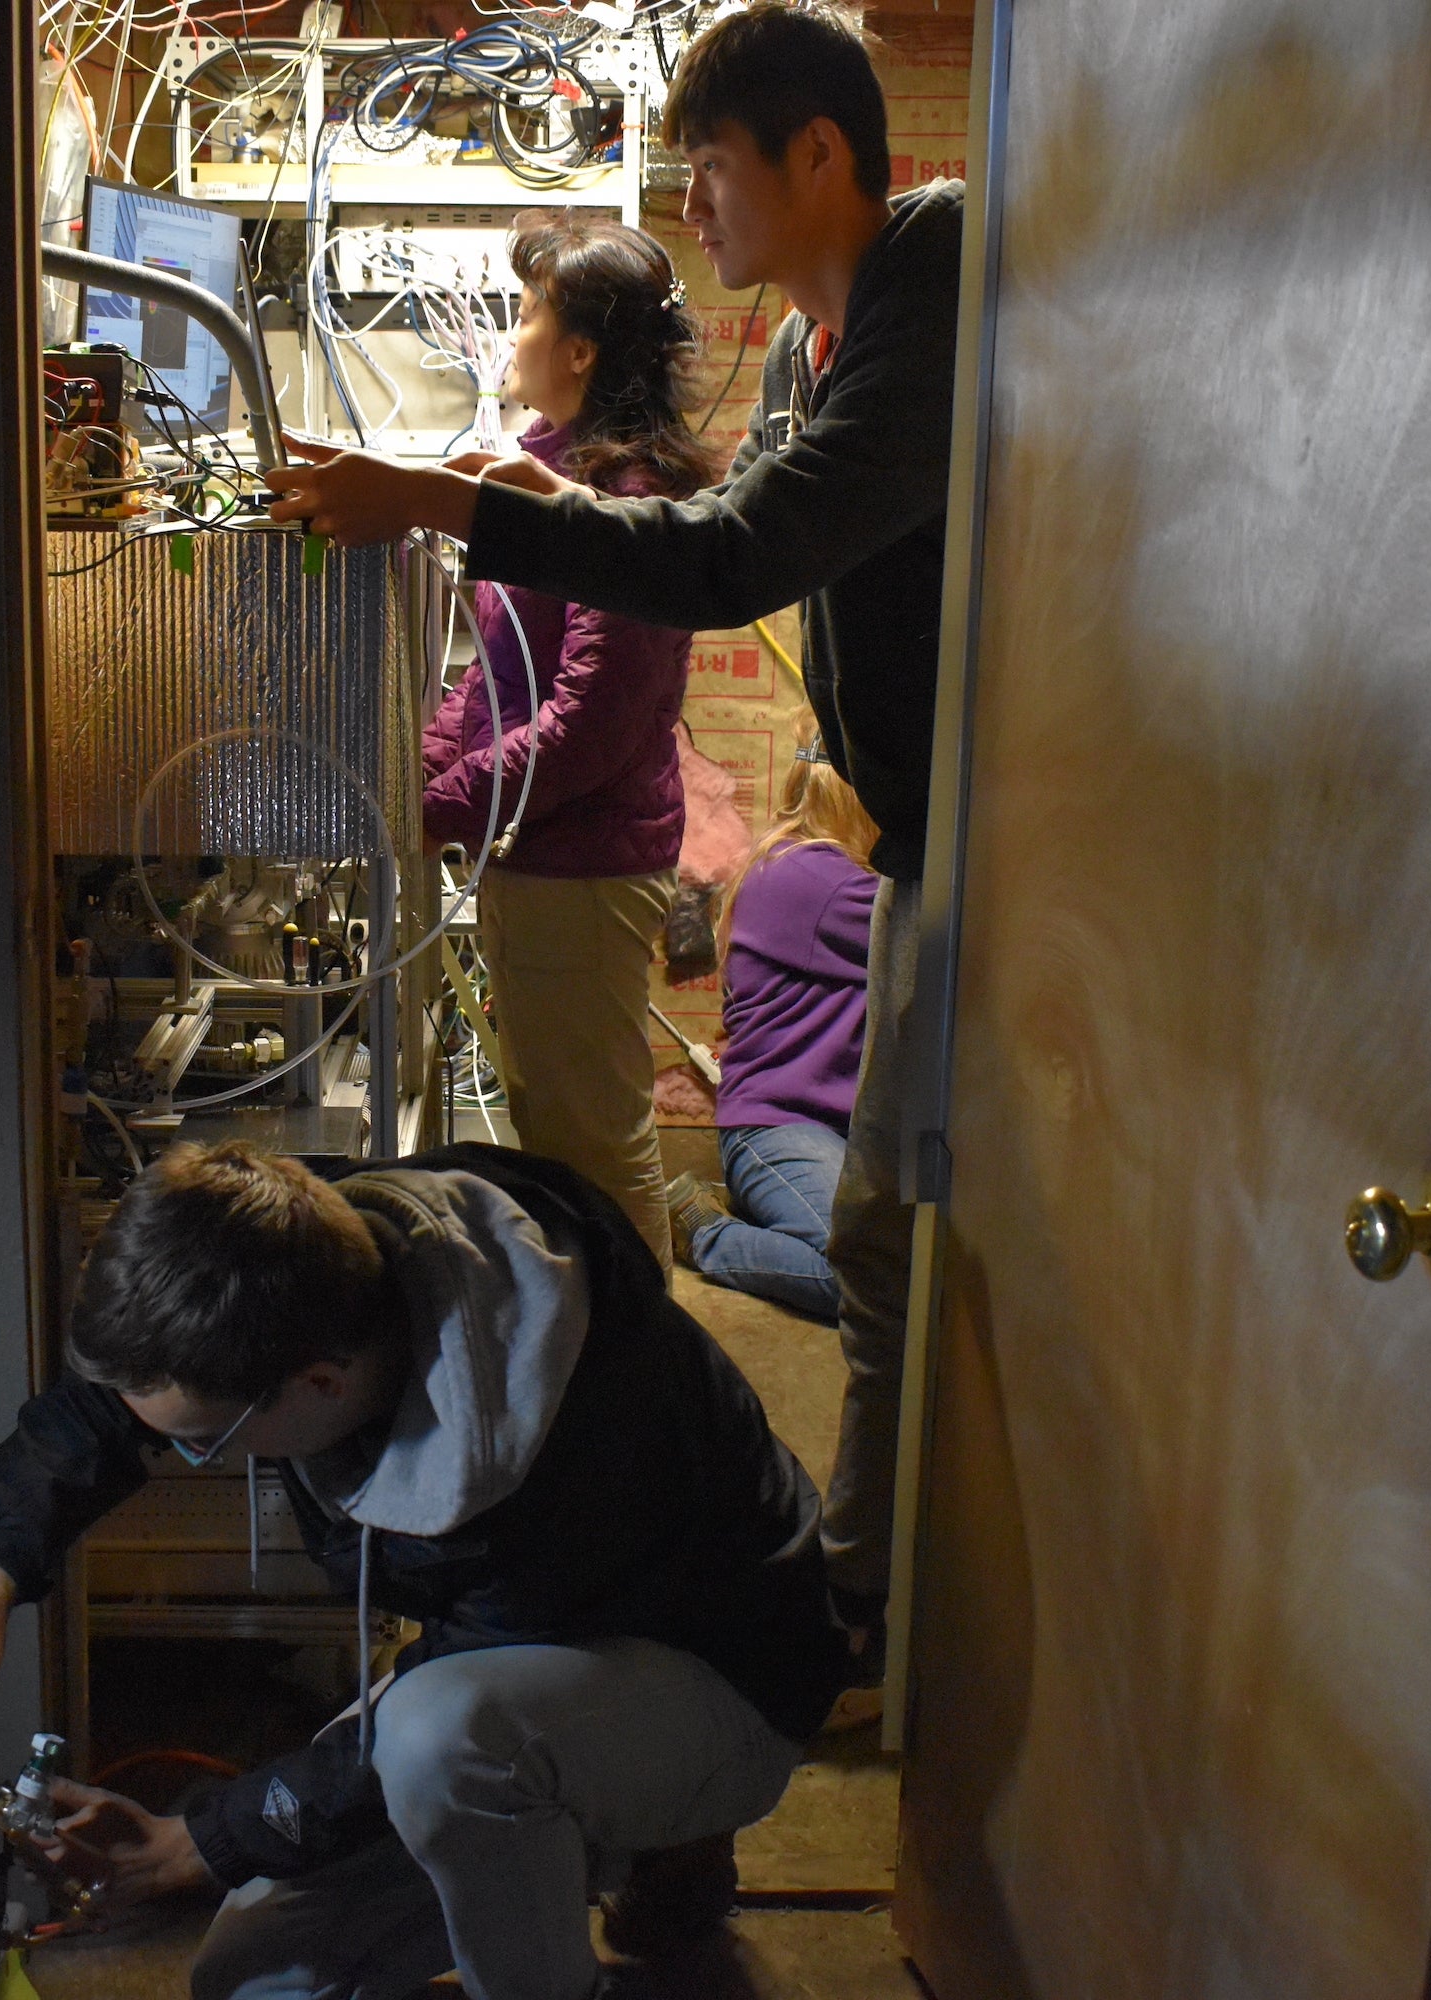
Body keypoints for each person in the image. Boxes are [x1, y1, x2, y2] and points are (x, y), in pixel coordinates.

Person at [267, 0, 956, 1687]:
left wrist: (442, 499)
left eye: (712, 164)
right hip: (922, 844)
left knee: (888, 1235)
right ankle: (850, 1583)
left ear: (815, 154)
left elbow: (728, 561)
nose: (693, 203)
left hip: (1011, 846)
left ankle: (839, 1594)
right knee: (875, 1233)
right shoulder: (809, 350)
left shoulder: (939, 274)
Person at [0, 1139, 845, 2000]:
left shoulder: (576, 1432)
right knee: (256, 1977)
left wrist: (201, 1840)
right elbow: (119, 1401)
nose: (194, 1454)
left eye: (208, 1443)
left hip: (723, 1676)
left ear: (319, 1384)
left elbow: (440, 1700)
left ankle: (656, 1831)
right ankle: (611, 1836)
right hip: (521, 1680)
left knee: (440, 1743)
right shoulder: (313, 1242)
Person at [427, 215, 712, 1266]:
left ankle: (645, 1398)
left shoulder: (622, 500)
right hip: (545, 855)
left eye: (530, 310)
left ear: (582, 350)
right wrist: (425, 775)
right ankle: (606, 1375)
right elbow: (497, 671)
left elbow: (590, 721)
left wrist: (445, 807)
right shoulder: (547, 477)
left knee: (596, 1152)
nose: (513, 334)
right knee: (566, 1141)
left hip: (583, 872)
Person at [667, 740, 877, 1323]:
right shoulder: (812, 877)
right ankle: (705, 1231)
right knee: (855, 1279)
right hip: (780, 1127)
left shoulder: (805, 863)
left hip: (837, 1130)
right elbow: (942, 931)